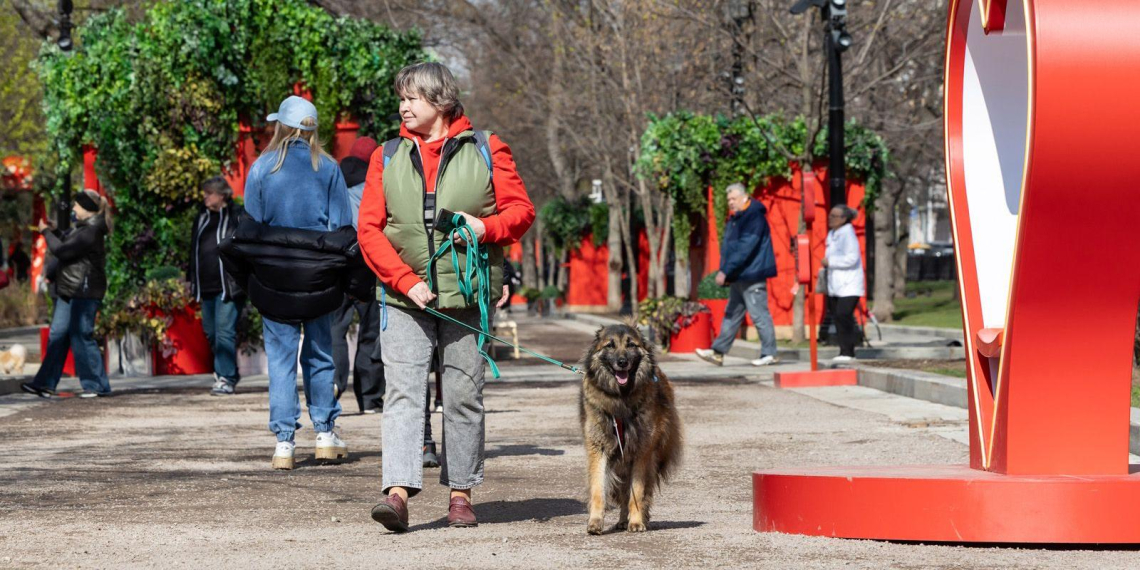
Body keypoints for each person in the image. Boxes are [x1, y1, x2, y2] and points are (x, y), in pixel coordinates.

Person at [359, 62, 535, 532]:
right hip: (403, 299)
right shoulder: (387, 154)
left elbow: (521, 211)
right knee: (402, 394)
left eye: (412, 97)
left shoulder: (486, 148)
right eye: (401, 96)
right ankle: (396, 494)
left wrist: (485, 228)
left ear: (440, 100)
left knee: (462, 396)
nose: (403, 105)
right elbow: (369, 230)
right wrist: (403, 280)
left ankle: (461, 493)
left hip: (469, 298)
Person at [242, 95, 354, 470]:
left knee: (281, 360)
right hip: (318, 275)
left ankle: (284, 442)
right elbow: (341, 226)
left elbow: (252, 227)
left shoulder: (262, 167)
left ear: (281, 126)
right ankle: (325, 432)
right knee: (320, 354)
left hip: (275, 275)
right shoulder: (329, 167)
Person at [21, 189, 112, 398]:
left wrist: (45, 232)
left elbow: (63, 251)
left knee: (81, 335)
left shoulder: (92, 231)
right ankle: (44, 383)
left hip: (84, 290)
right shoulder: (82, 228)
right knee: (57, 335)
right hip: (68, 289)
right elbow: (68, 242)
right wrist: (55, 231)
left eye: (76, 206)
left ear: (87, 209)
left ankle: (97, 385)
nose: (73, 209)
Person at [696, 183, 779, 367]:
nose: (730, 203)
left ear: (744, 197)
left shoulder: (753, 217)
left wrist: (726, 270)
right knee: (731, 315)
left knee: (759, 315)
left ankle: (770, 353)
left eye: (733, 198)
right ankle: (718, 352)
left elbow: (745, 248)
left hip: (752, 275)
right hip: (740, 276)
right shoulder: (737, 218)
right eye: (728, 200)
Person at [331, 137, 385, 414]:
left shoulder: (335, 182)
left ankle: (333, 387)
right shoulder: (377, 183)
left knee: (335, 331)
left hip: (339, 265)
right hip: (370, 267)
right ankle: (370, 399)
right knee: (370, 333)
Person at [188, 176, 245, 396]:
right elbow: (193, 249)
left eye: (209, 193)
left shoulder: (236, 214)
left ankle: (225, 378)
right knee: (211, 332)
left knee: (224, 332)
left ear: (221, 195)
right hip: (206, 285)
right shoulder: (201, 217)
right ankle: (229, 371)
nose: (205, 197)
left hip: (228, 286)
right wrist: (190, 279)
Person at [822, 205, 865, 362]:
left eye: (835, 216)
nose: (830, 218)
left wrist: (830, 262)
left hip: (849, 284)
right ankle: (843, 350)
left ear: (844, 219)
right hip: (836, 284)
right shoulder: (833, 234)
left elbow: (852, 258)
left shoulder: (848, 235)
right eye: (830, 215)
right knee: (837, 317)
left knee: (843, 315)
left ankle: (848, 351)